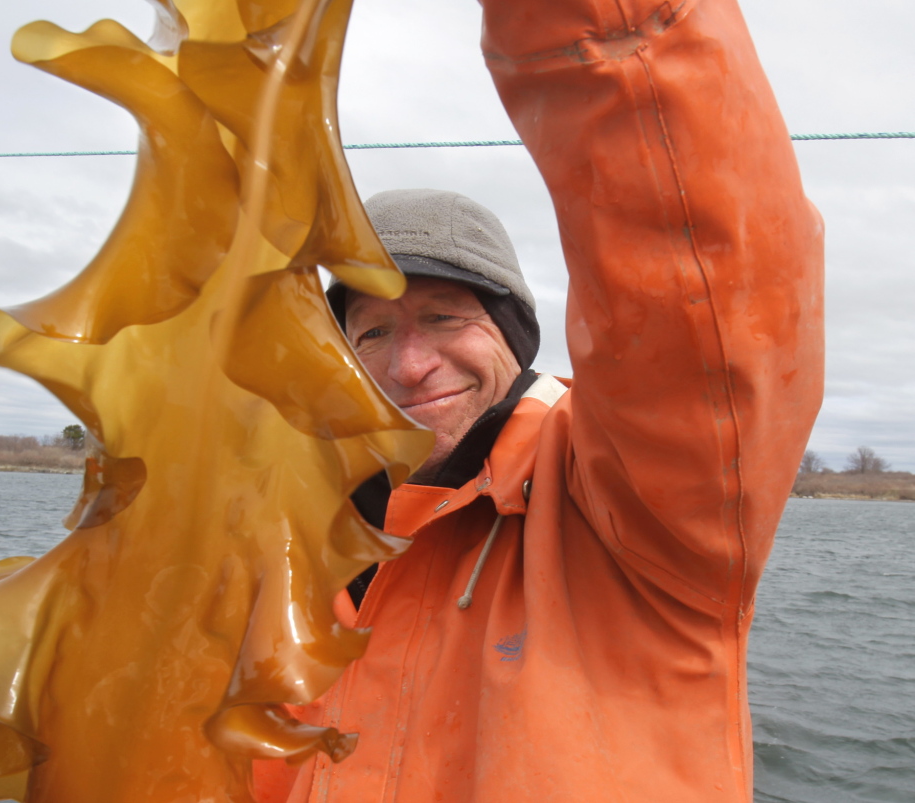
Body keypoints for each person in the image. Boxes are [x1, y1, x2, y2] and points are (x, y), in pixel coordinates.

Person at [256, 0, 824, 800]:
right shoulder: (284, 548)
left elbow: (697, 282)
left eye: (444, 317)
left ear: (513, 335)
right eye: (372, 333)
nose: (407, 364)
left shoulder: (643, 508)